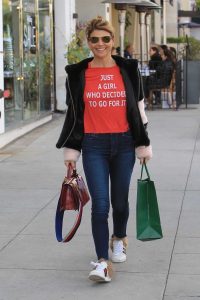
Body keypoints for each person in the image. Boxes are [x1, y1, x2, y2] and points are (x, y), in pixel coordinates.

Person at [56, 16, 152, 283]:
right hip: (93, 144)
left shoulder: (128, 69)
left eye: (105, 39)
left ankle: (119, 238)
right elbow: (73, 115)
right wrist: (71, 153)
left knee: (119, 202)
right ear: (88, 42)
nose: (100, 44)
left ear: (113, 41)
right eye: (94, 39)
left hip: (124, 143)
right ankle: (102, 262)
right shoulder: (78, 74)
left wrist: (143, 144)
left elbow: (139, 110)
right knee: (100, 205)